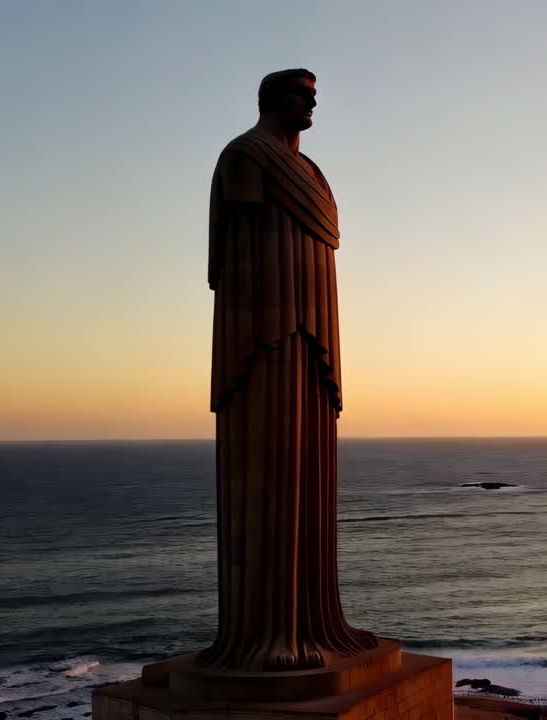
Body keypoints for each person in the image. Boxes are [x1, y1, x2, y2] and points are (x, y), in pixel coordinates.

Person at [201, 69, 377, 671]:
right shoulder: (244, 155)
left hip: (310, 331)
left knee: (311, 470)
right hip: (267, 338)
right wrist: (265, 325)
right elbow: (240, 255)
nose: (313, 103)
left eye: (314, 94)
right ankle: (267, 634)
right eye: (304, 95)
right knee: (272, 466)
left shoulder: (313, 172)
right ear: (274, 100)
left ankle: (317, 621)